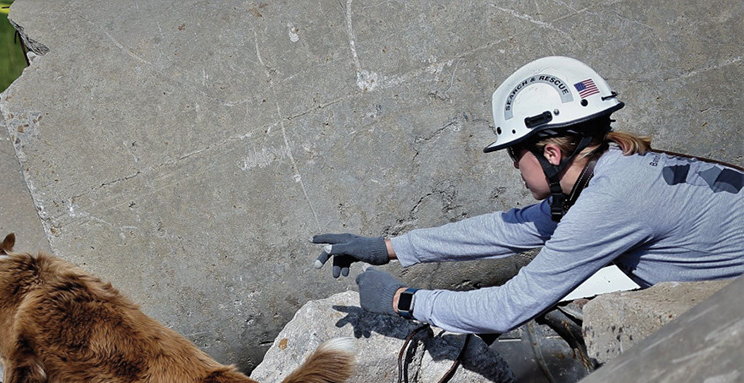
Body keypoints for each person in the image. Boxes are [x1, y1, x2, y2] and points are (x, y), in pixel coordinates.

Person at [313, 56, 744, 334]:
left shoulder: (613, 201)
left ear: (551, 152)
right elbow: (512, 228)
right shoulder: (616, 168)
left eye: (514, 155)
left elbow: (509, 305)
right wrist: (390, 247)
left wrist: (402, 301)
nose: (515, 168)